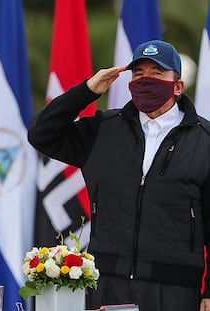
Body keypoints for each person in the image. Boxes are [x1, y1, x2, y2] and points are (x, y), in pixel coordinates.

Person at [28, 39, 210, 311]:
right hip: (108, 286)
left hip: (175, 291)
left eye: (157, 73)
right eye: (138, 74)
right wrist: (88, 90)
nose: (145, 80)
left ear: (178, 86)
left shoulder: (205, 140)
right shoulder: (103, 129)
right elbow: (42, 134)